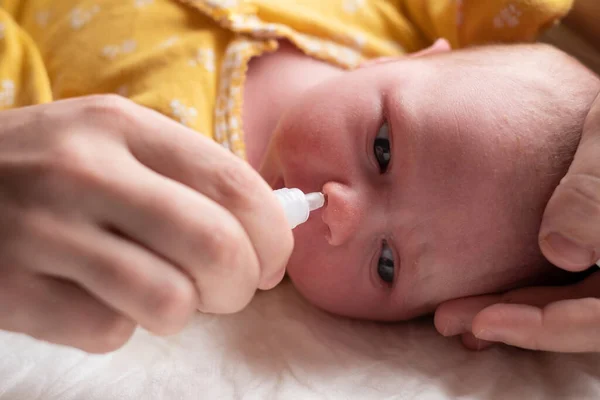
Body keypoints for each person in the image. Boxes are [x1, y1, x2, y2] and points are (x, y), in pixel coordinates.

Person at [0, 0, 598, 354]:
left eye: (386, 264)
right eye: (383, 150)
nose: (343, 215)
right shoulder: (397, 18)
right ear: (417, 58)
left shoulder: (170, 198)